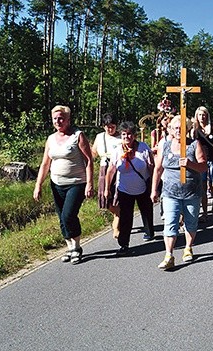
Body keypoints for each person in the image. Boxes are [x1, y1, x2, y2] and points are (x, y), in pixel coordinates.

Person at [33, 105, 94, 264]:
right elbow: (45, 164)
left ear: (68, 120)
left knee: (68, 215)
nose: (57, 121)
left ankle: (77, 247)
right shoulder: (51, 139)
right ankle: (70, 247)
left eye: (61, 118)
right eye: (55, 118)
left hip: (76, 183)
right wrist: (38, 185)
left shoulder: (78, 136)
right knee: (61, 217)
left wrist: (89, 184)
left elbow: (88, 161)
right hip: (56, 183)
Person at [150, 115, 207, 270]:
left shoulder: (195, 145)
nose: (178, 131)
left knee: (191, 221)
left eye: (181, 128)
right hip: (170, 192)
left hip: (191, 192)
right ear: (170, 129)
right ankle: (169, 255)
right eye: (175, 128)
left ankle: (188, 247)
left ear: (188, 129)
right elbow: (158, 168)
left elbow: (203, 167)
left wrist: (190, 164)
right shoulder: (165, 145)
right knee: (170, 222)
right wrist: (154, 189)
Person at [105, 121, 154, 255]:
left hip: (142, 187)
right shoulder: (117, 151)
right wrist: (106, 188)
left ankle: (149, 232)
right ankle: (124, 243)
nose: (127, 137)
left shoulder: (143, 148)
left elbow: (151, 166)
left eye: (130, 134)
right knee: (126, 216)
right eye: (124, 134)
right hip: (124, 189)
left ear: (134, 135)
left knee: (146, 210)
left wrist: (153, 186)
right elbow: (111, 170)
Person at [91, 113, 122, 238]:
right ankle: (117, 214)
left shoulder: (121, 138)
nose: (110, 129)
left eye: (112, 126)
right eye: (108, 126)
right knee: (106, 199)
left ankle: (117, 226)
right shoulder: (100, 137)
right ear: (104, 126)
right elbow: (93, 153)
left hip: (118, 169)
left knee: (117, 197)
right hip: (104, 169)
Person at [191, 106, 213, 220]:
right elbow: (191, 143)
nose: (202, 117)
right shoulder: (195, 129)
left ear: (207, 115)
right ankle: (205, 213)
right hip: (202, 161)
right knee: (202, 187)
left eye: (204, 114)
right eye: (199, 115)